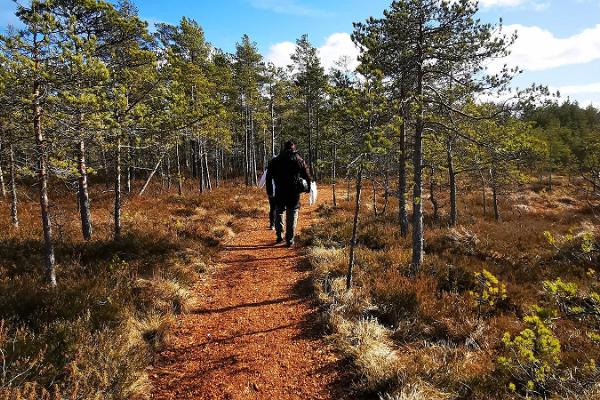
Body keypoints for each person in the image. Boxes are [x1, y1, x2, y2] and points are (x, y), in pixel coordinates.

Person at [266, 140, 312, 247]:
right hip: (293, 191)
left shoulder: (275, 160)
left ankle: (279, 235)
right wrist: (309, 187)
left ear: (284, 148)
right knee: (292, 213)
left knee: (279, 211)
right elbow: (306, 174)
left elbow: (268, 177)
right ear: (293, 148)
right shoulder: (298, 159)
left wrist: (269, 191)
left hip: (279, 191)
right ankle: (290, 239)